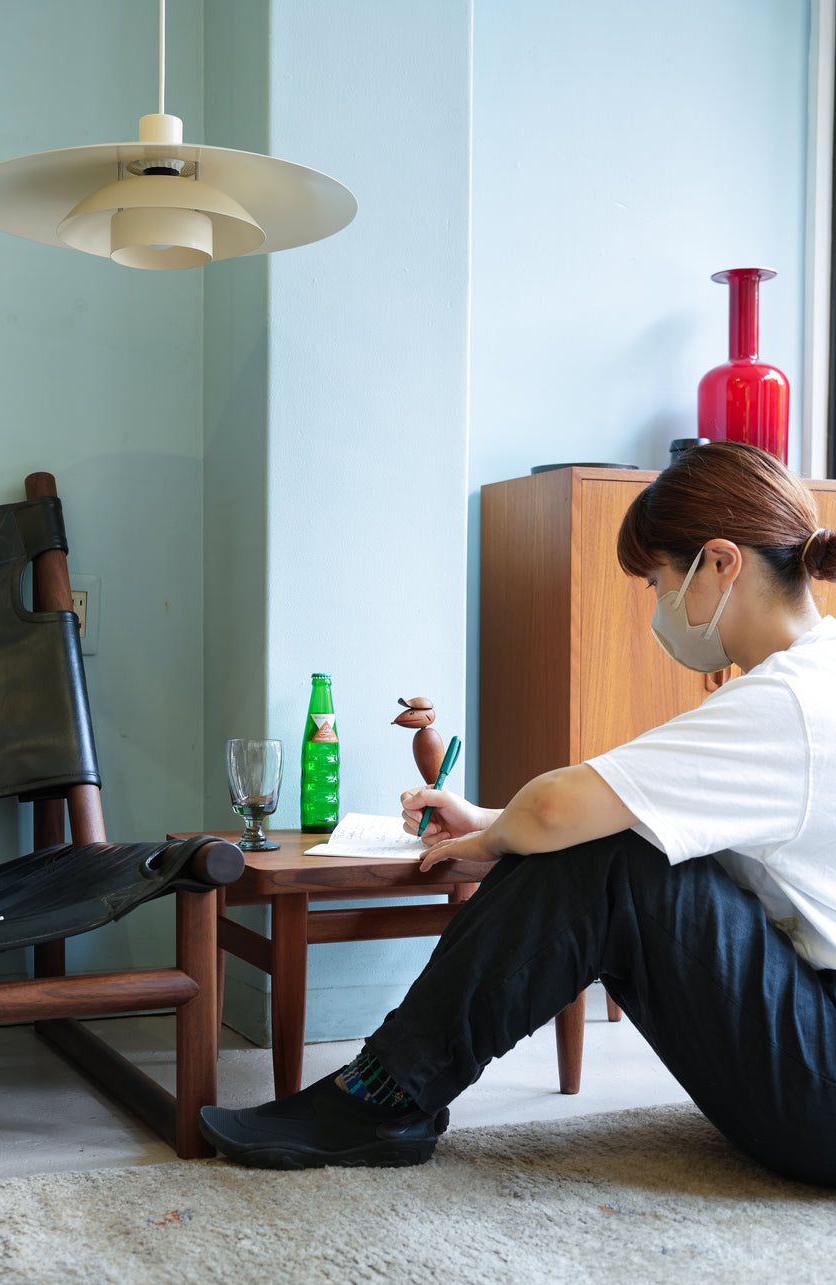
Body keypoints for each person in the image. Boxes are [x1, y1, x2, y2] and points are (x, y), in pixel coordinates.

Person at [199, 440, 836, 1185]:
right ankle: (383, 1092)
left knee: (605, 853)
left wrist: (499, 836)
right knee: (608, 837)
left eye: (658, 581)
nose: (657, 607)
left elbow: (562, 809)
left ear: (721, 563)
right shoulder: (813, 679)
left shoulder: (789, 701)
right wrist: (491, 822)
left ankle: (380, 1098)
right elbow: (611, 808)